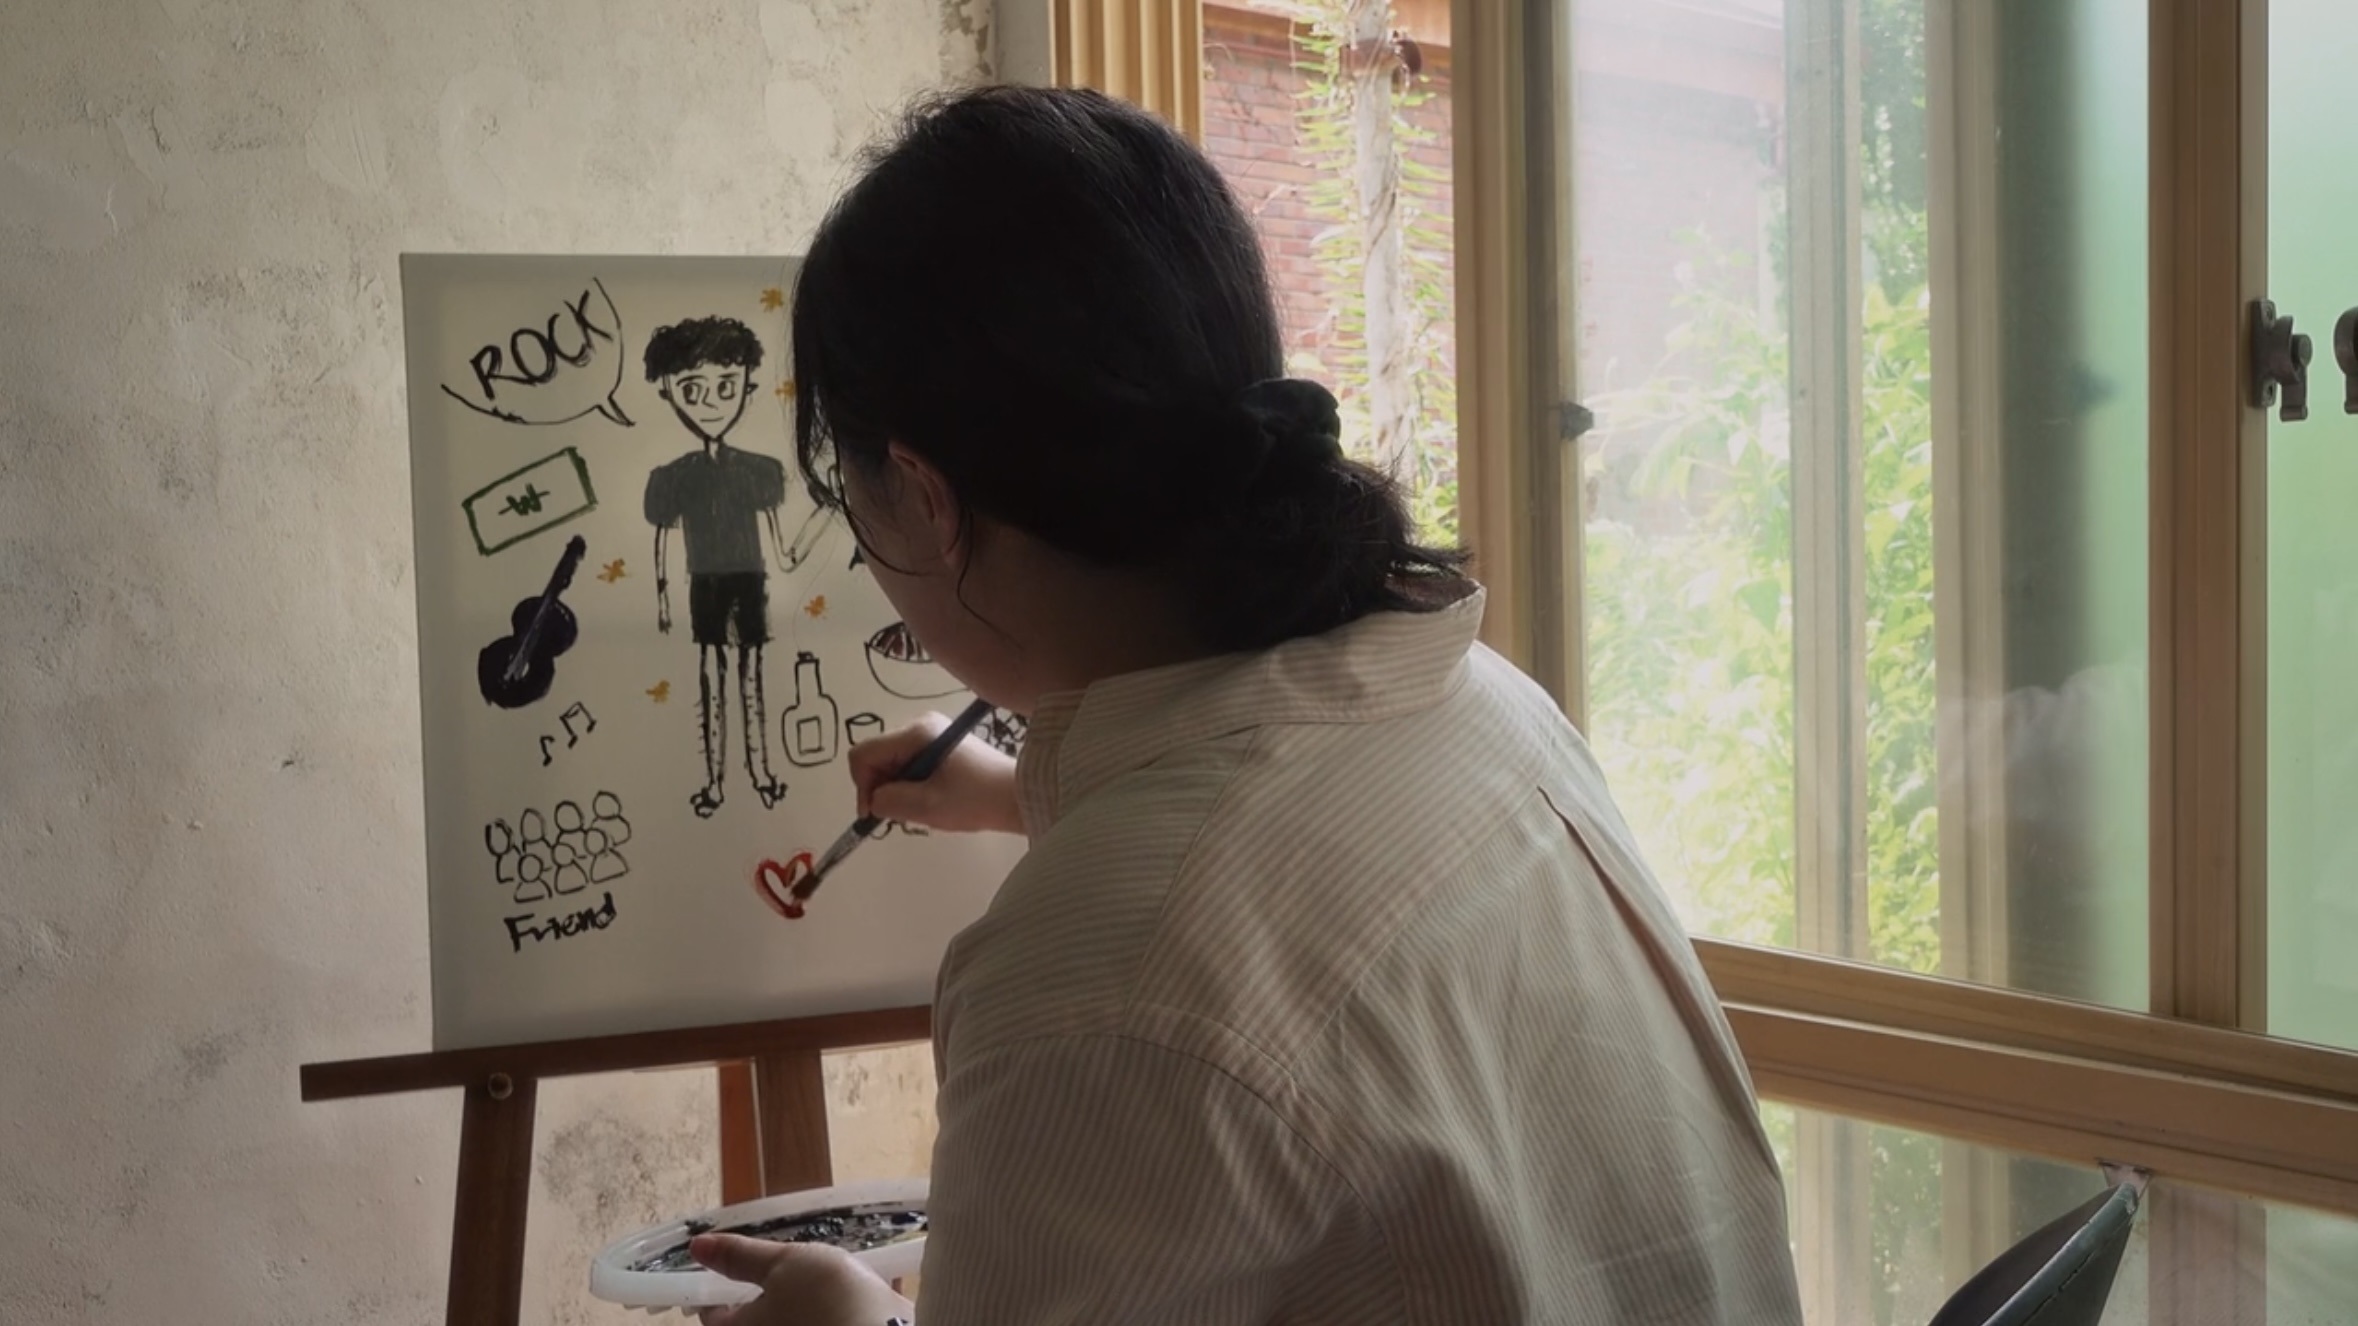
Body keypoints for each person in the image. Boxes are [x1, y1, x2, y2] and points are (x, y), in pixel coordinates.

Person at [689, 86, 1803, 1326]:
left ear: (924, 493)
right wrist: (1016, 800)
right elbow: (1283, 885)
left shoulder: (1095, 980)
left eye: (847, 497)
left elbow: (1190, 947)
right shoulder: (1476, 700)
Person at [642, 316, 793, 817]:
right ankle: (714, 783)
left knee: (751, 682)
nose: (710, 403)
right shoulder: (673, 477)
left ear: (748, 389)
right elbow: (662, 538)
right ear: (668, 392)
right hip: (703, 583)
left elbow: (782, 546)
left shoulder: (759, 471)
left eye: (726, 387)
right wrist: (663, 599)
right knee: (712, 682)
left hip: (750, 580)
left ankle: (761, 773)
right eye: (692, 389)